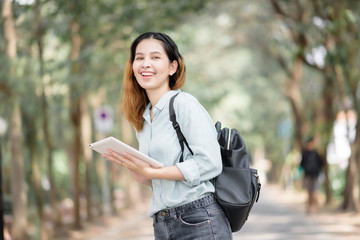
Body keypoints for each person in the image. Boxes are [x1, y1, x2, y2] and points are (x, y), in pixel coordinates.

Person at [103, 32, 233, 239]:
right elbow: (161, 180)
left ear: (173, 67)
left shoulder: (183, 104)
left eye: (155, 57)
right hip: (163, 224)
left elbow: (210, 163)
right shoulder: (144, 118)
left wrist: (152, 173)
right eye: (139, 58)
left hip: (199, 219)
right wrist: (133, 167)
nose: (145, 64)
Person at [300, 137, 323, 213]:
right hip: (307, 176)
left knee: (315, 193)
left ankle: (316, 209)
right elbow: (302, 164)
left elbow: (320, 164)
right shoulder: (305, 153)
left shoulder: (316, 153)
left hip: (315, 175)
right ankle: (309, 208)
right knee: (309, 193)